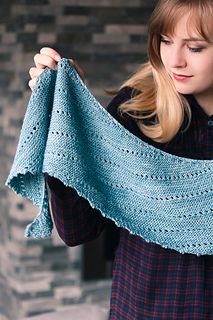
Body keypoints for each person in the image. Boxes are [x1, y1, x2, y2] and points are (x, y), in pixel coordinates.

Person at [28, 0, 213, 318]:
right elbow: (78, 230)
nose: (175, 60)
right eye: (165, 41)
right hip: (145, 309)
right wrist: (67, 122)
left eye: (195, 47)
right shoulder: (137, 110)